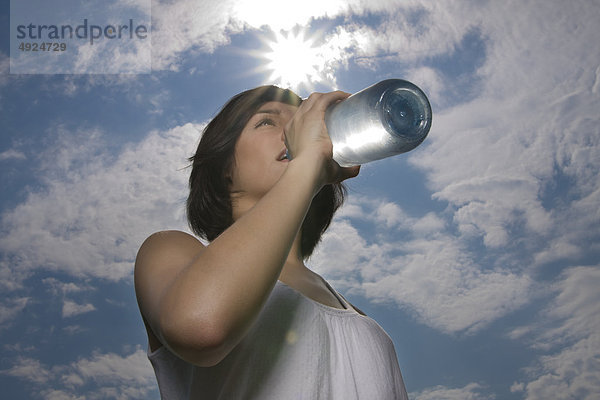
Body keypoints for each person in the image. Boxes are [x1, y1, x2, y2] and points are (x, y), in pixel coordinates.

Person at [134, 85, 409, 399]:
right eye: (267, 121)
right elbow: (202, 326)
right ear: (225, 167)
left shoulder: (359, 318)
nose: (295, 132)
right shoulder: (170, 252)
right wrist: (306, 162)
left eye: (300, 122)